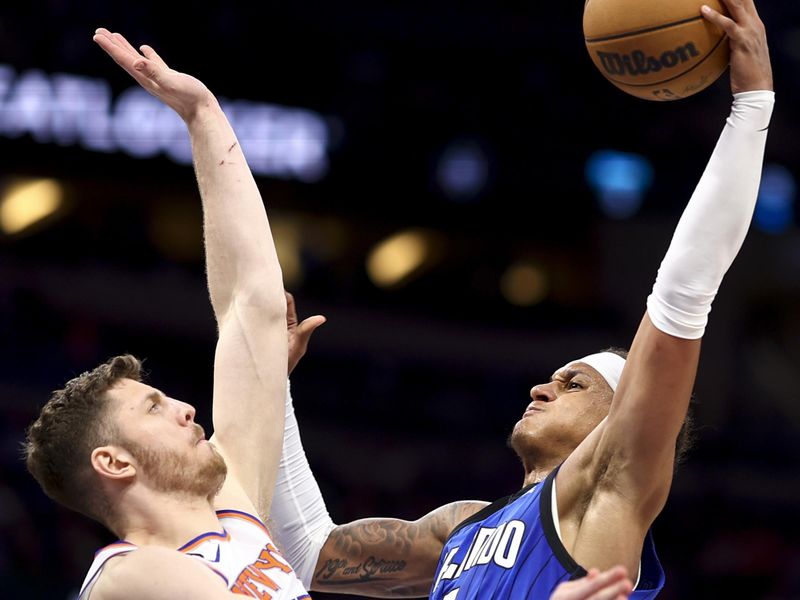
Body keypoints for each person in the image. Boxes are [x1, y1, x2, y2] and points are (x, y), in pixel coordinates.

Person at [268, 0, 775, 597]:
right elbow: (309, 553)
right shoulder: (461, 527)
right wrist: (274, 386)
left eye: (575, 384)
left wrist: (752, 108)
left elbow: (684, 291)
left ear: (623, 416)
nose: (542, 387)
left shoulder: (608, 487)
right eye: (556, 378)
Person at [23, 29, 308, 600]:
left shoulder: (234, 521)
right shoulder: (130, 574)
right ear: (114, 461)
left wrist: (203, 116)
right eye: (153, 407)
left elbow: (249, 306)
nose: (185, 406)